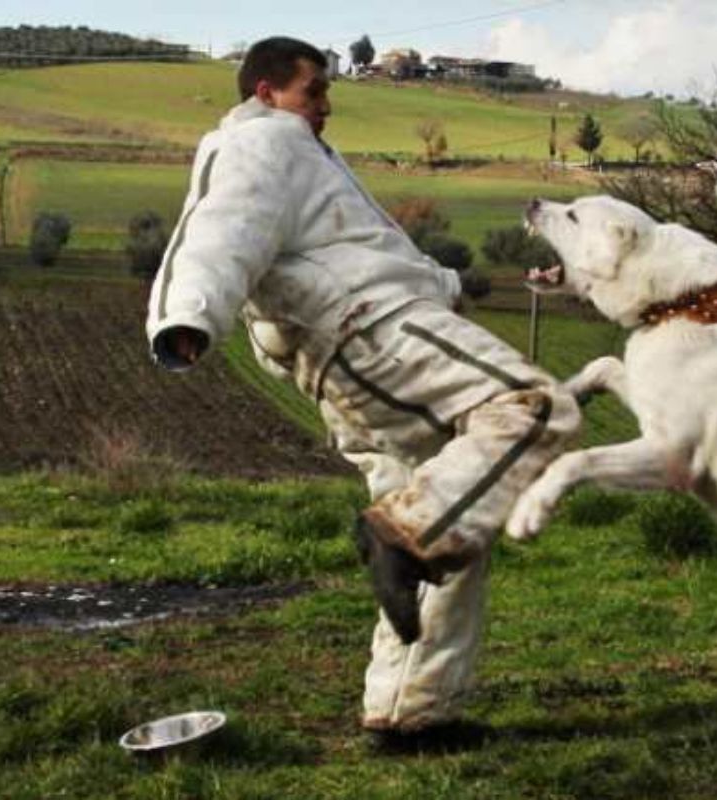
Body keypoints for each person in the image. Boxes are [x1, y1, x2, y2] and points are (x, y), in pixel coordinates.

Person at [145, 36, 580, 735]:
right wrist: (187, 316)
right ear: (265, 93)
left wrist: (444, 283)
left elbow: (361, 246)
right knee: (534, 408)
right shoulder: (261, 145)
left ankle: (410, 711)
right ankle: (401, 542)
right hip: (371, 329)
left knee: (455, 522)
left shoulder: (308, 155)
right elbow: (216, 231)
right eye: (312, 91)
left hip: (351, 347)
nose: (325, 106)